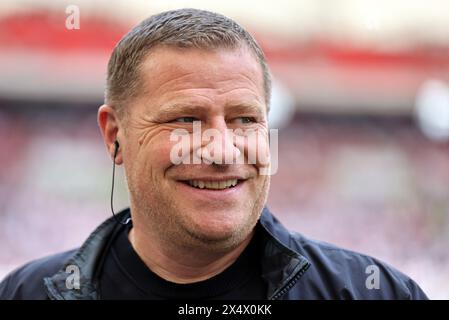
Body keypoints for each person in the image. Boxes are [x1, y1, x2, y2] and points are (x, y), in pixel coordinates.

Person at [0, 8, 427, 300]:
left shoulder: (373, 292)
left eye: (245, 120)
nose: (222, 150)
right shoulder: (26, 293)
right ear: (116, 135)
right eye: (186, 119)